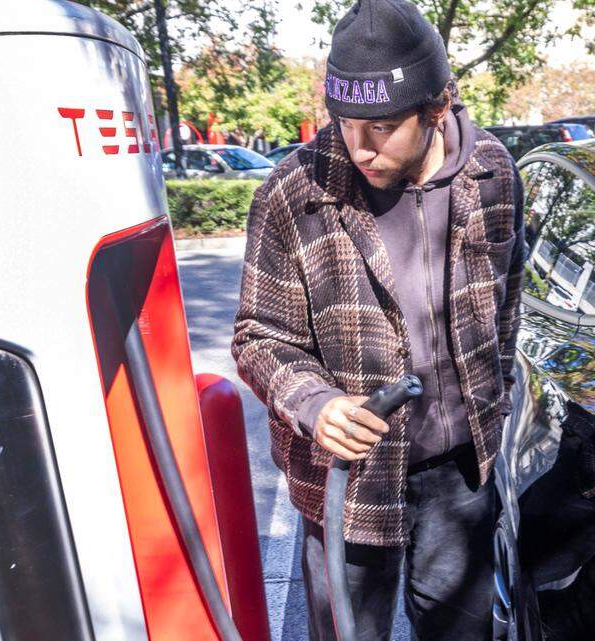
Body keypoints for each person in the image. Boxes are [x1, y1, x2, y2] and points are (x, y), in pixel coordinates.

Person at [230, 0, 524, 638]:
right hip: (349, 481)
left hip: (460, 477)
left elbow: (509, 302)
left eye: (381, 127)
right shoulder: (293, 193)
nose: (357, 147)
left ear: (437, 108)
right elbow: (259, 336)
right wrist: (315, 403)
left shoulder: (495, 173)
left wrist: (492, 410)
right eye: (344, 122)